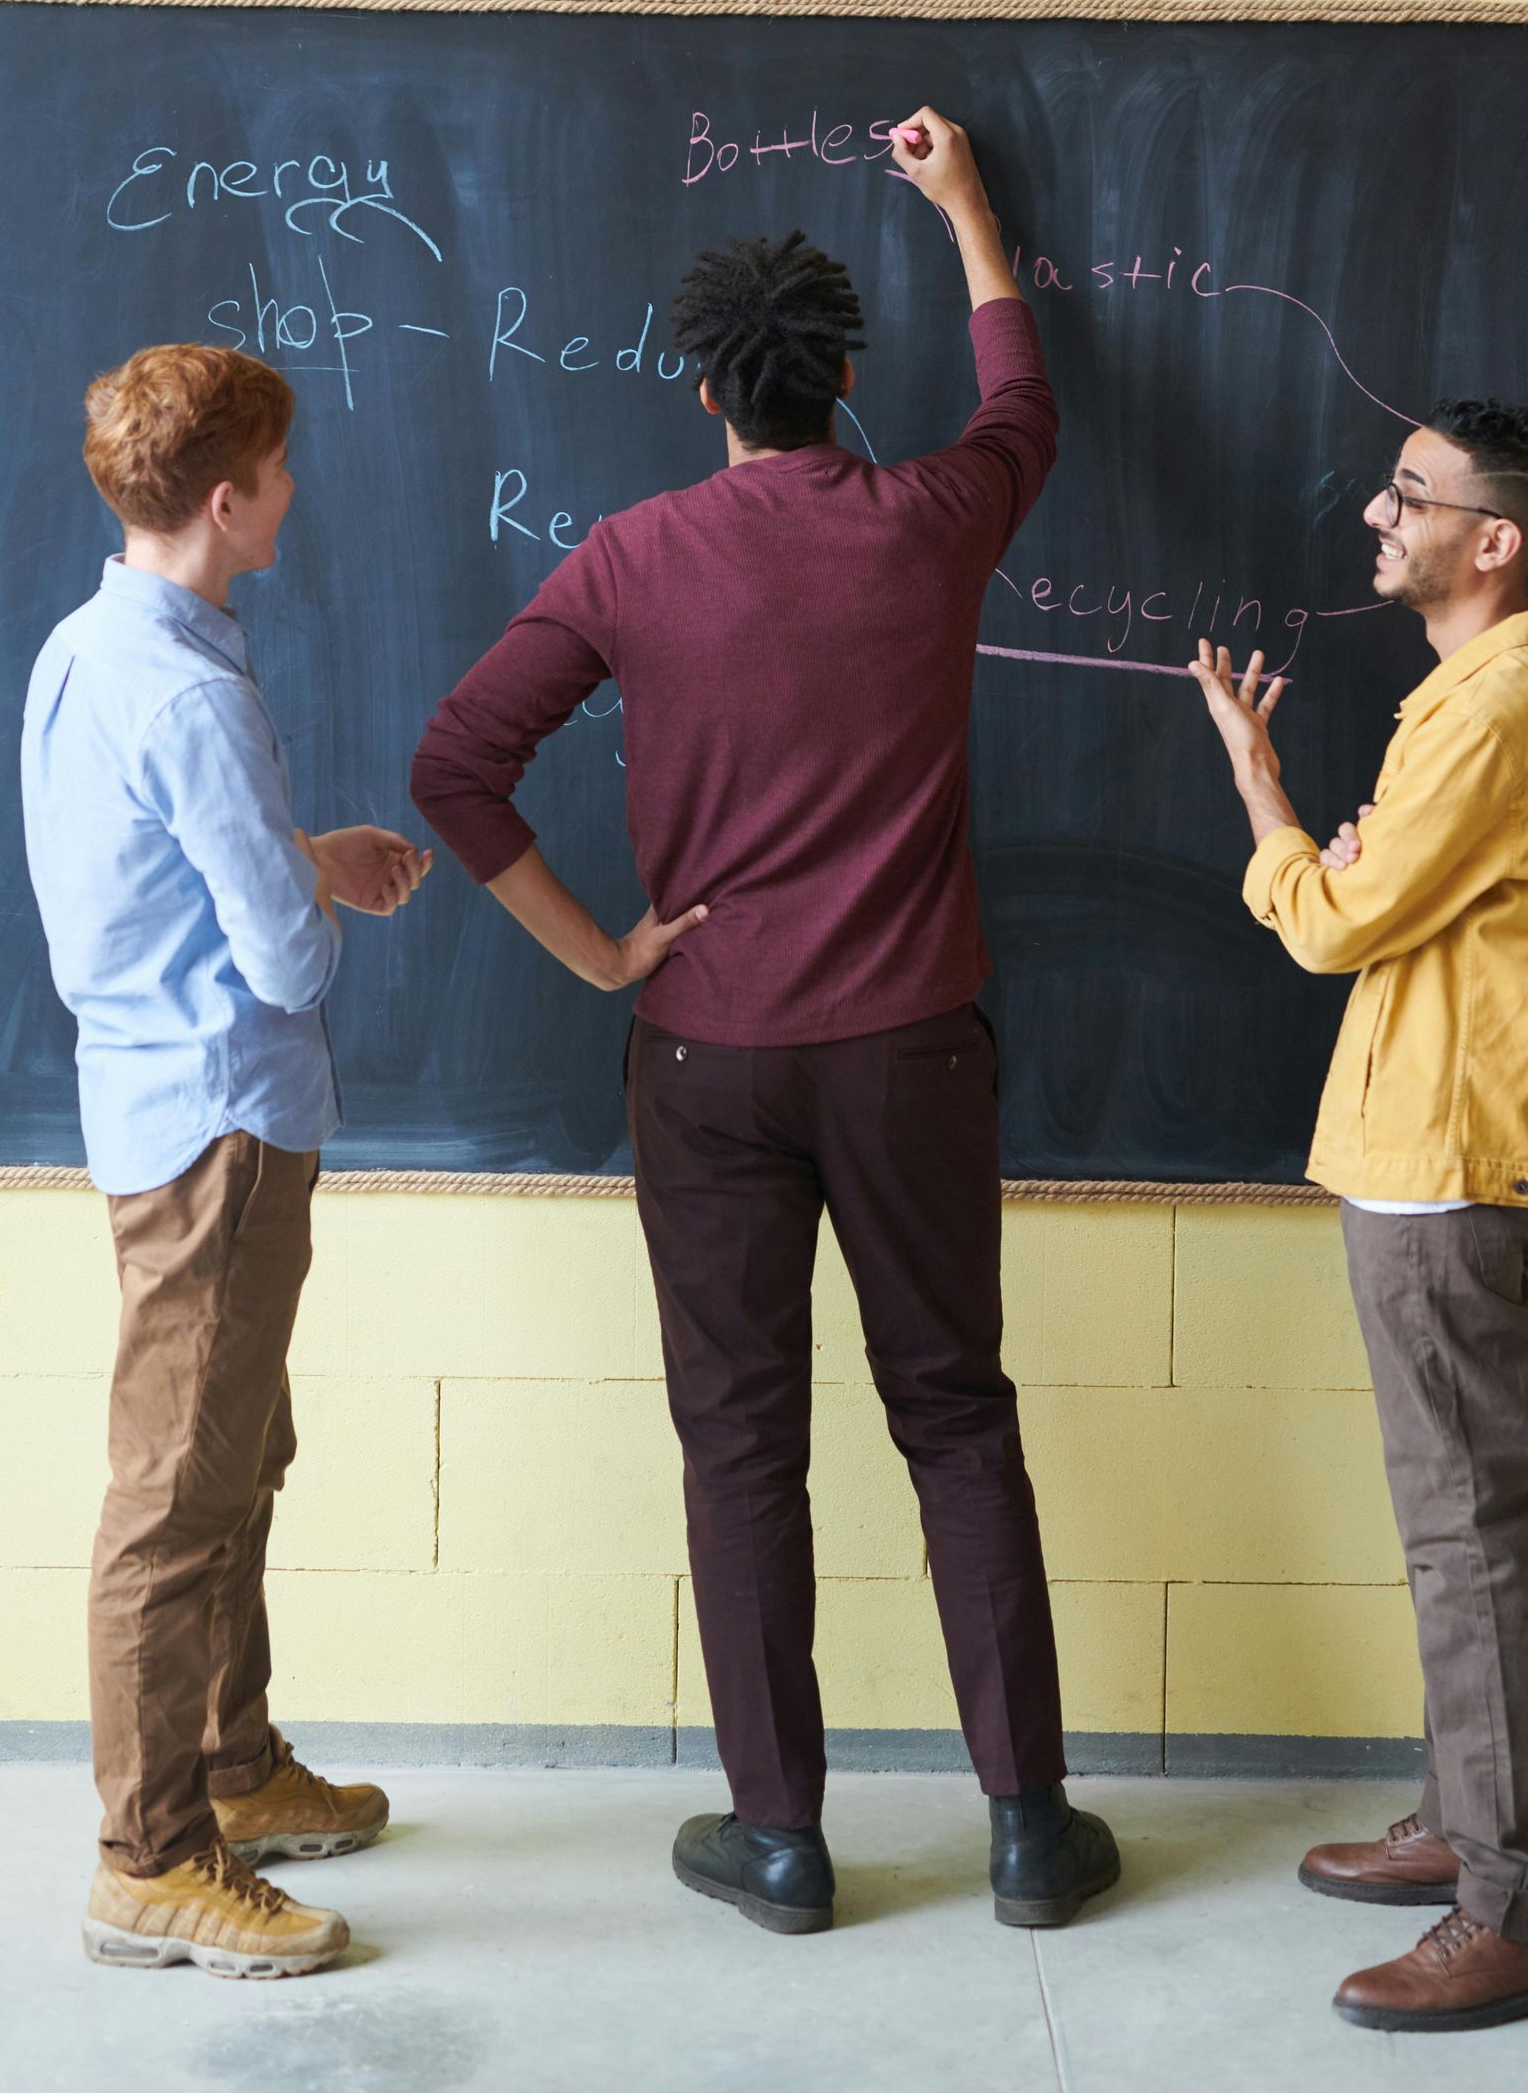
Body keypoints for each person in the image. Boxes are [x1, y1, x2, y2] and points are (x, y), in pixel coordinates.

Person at [411, 108, 1118, 1939]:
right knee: (956, 1415)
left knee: (741, 1444)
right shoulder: (932, 518)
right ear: (843, 381)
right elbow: (1024, 411)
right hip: (913, 1051)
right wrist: (969, 211)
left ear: (706, 395)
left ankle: (782, 1840)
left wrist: (606, 958)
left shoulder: (633, 558)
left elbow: (456, 766)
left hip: (708, 1057)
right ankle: (1031, 1825)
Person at [1190, 400, 1528, 2035]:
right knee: (1459, 1525)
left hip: (1445, 1162)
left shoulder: (1500, 705)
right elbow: (1402, 911)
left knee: (1468, 1539)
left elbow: (1336, 926)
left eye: (1412, 495)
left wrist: (1262, 792)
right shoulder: (1482, 696)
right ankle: (1471, 1818)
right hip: (1426, 1145)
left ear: (1491, 541)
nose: (1379, 511)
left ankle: (1521, 1908)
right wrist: (1353, 872)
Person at [21, 345, 431, 1980]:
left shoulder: (94, 645)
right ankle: (149, 1857)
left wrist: (297, 856)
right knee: (176, 1498)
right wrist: (313, 896)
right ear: (224, 498)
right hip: (224, 1119)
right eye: (280, 465)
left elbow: (155, 874)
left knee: (234, 1458)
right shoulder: (192, 690)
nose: (292, 490)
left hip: (161, 1098)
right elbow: (283, 965)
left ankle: (236, 1772)